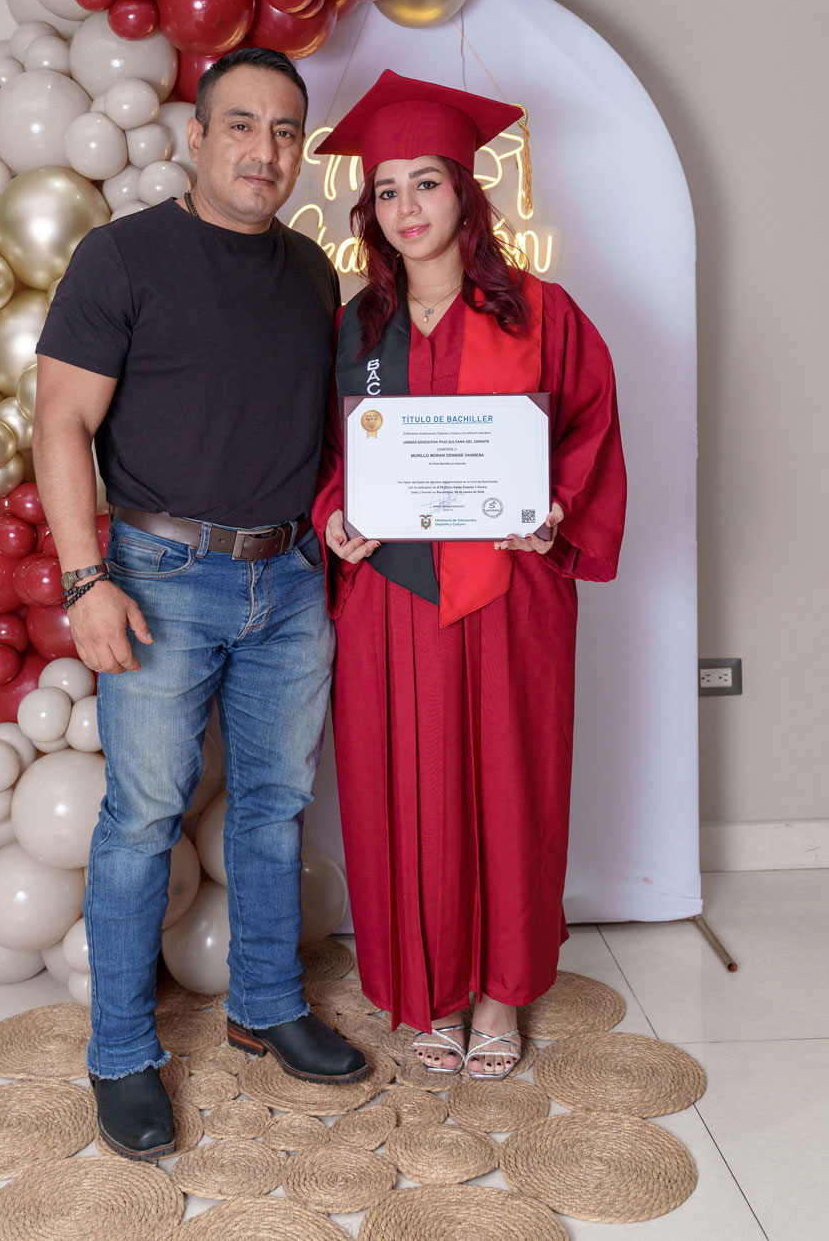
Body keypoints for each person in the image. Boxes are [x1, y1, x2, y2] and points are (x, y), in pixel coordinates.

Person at [32, 47, 368, 1166]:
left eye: (285, 131)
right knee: (142, 817)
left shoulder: (313, 273)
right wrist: (86, 579)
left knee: (273, 808)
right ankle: (121, 1052)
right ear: (197, 135)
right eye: (241, 125)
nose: (263, 151)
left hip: (290, 579)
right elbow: (61, 423)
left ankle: (265, 1003)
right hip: (157, 578)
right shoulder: (122, 256)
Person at [310, 71, 626, 1078]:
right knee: (404, 790)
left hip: (508, 589)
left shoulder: (542, 313)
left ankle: (498, 993)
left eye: (426, 183)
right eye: (386, 190)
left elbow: (588, 428)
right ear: (371, 210)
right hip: (392, 596)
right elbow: (325, 458)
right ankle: (431, 991)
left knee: (509, 782)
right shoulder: (356, 329)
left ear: (465, 193)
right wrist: (335, 517)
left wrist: (555, 508)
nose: (406, 207)